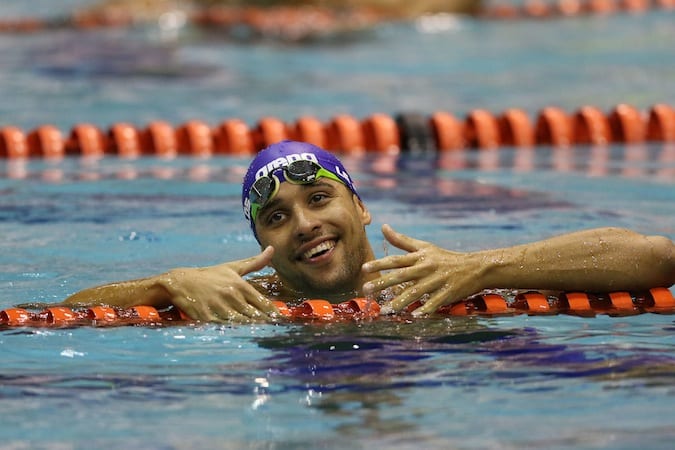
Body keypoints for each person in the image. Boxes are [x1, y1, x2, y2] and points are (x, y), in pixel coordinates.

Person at [62, 140, 675, 322]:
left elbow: (656, 259)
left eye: (320, 198)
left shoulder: (442, 279)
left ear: (360, 208)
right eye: (276, 217)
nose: (305, 225)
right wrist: (169, 283)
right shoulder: (251, 303)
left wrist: (483, 267)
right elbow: (52, 315)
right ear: (262, 247)